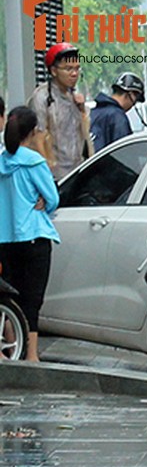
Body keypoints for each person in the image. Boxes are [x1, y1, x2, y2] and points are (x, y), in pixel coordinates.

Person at [0, 107, 61, 362]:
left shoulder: (1, 162)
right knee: (32, 299)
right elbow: (53, 199)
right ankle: (32, 356)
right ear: (32, 132)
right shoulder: (34, 161)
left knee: (8, 296)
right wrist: (42, 202)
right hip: (34, 238)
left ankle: (9, 350)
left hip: (5, 239)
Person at [28, 42, 89, 182]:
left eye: (77, 68)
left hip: (76, 171)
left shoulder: (74, 97)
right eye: (68, 69)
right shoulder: (41, 98)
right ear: (54, 71)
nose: (74, 74)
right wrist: (45, 176)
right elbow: (38, 139)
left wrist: (82, 111)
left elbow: (84, 137)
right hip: (53, 176)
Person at [89, 72, 145, 152]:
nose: (132, 106)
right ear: (130, 95)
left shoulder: (93, 113)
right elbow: (124, 153)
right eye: (135, 102)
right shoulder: (118, 117)